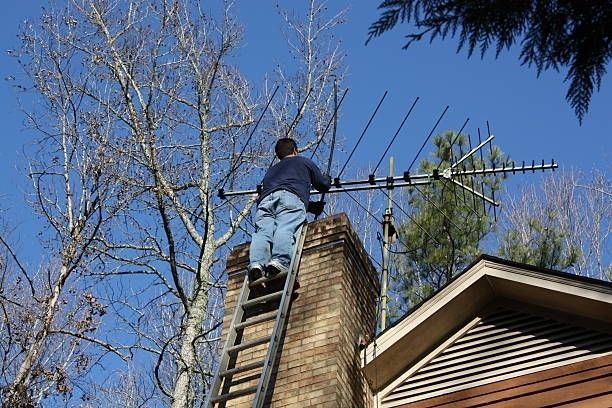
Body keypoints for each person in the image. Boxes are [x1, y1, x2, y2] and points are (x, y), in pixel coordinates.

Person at [248, 138, 332, 282]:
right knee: (285, 227)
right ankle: (279, 261)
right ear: (295, 150)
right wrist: (327, 179)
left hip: (265, 201)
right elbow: (322, 185)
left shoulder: (271, 170)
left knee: (262, 233)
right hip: (290, 198)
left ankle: (257, 263)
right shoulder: (303, 162)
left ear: (278, 155)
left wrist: (311, 207)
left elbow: (280, 191)